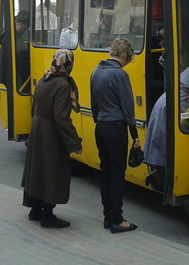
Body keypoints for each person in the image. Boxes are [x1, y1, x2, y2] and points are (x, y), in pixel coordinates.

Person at [21, 49, 83, 228]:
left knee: (37, 170)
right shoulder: (62, 85)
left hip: (38, 128)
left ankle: (35, 210)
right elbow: (62, 118)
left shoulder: (44, 79)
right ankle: (48, 215)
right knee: (52, 171)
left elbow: (34, 108)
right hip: (51, 134)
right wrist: (74, 143)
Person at [90, 38, 140, 234]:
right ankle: (117, 220)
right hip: (116, 128)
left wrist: (100, 120)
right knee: (118, 174)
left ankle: (107, 216)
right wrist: (134, 133)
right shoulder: (120, 75)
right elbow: (128, 108)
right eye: (129, 59)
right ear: (125, 55)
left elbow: (94, 105)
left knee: (106, 172)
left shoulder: (96, 72)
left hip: (100, 126)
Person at [143, 65, 189, 191]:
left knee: (162, 146)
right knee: (166, 147)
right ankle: (161, 179)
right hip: (172, 106)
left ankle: (158, 175)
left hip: (165, 104)